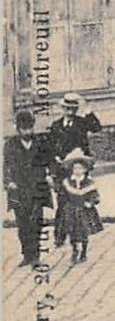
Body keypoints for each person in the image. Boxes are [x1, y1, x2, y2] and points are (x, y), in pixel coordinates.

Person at [5, 109, 54, 265]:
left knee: (36, 221)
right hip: (19, 188)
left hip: (37, 187)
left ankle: (36, 255)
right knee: (22, 224)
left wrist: (49, 175)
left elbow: (49, 161)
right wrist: (8, 182)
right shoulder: (10, 144)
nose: (27, 131)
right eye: (23, 128)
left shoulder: (41, 142)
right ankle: (27, 254)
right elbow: (5, 166)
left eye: (29, 128)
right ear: (18, 129)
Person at [54, 153, 101, 263]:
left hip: (84, 210)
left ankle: (84, 251)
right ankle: (75, 249)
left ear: (85, 170)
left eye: (80, 168)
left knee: (84, 231)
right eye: (75, 168)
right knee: (72, 230)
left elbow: (94, 195)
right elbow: (63, 194)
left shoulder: (89, 182)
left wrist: (91, 202)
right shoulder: (68, 182)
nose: (77, 170)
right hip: (71, 209)